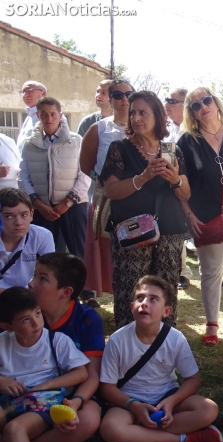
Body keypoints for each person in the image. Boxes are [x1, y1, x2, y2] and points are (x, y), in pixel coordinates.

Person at [99, 275, 222, 442]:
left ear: (166, 311)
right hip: (129, 403)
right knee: (110, 428)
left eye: (153, 299)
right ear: (132, 307)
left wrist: (172, 401)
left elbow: (193, 379)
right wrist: (132, 405)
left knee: (208, 409)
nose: (145, 303)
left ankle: (134, 440)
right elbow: (107, 387)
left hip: (165, 398)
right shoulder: (117, 340)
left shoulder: (175, 338)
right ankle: (183, 439)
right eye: (140, 298)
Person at [99, 91, 190, 328]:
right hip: (132, 233)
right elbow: (111, 191)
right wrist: (143, 177)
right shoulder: (119, 148)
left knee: (165, 292)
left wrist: (175, 179)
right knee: (132, 293)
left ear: (157, 117)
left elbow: (186, 193)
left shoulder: (173, 150)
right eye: (133, 113)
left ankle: (164, 349)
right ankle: (129, 352)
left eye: (142, 113)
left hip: (169, 232)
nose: (136, 118)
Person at [27, 252, 106, 442]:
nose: (31, 283)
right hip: (29, 392)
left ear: (66, 292)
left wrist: (77, 402)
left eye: (42, 279)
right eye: (34, 275)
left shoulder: (87, 319)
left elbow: (92, 376)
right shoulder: (25, 316)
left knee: (87, 421)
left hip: (74, 394)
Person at [0, 287, 89, 442]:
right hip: (9, 400)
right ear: (8, 326)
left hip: (42, 402)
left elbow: (81, 373)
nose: (36, 322)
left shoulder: (56, 341)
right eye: (26, 319)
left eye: (38, 313)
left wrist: (46, 385)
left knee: (14, 430)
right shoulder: (2, 343)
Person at [178, 87, 223, 345]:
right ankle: (212, 324)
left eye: (206, 100)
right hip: (205, 215)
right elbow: (178, 183)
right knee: (210, 272)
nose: (203, 106)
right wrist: (188, 214)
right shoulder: (187, 141)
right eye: (195, 105)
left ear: (216, 102)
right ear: (191, 113)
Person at [79, 79, 135, 301]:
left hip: (136, 199)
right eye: (118, 94)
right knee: (108, 251)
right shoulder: (99, 128)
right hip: (106, 200)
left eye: (128, 94)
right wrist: (99, 180)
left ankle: (131, 299)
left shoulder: (142, 127)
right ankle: (115, 300)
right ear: (110, 99)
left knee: (133, 249)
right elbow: (85, 164)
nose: (124, 99)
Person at [18, 97, 90, 261]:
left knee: (79, 253)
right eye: (44, 114)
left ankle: (84, 287)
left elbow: (85, 173)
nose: (49, 119)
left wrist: (67, 202)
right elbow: (23, 176)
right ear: (37, 115)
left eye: (53, 114)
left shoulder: (76, 140)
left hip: (73, 206)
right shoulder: (29, 144)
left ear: (60, 115)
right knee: (45, 255)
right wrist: (38, 204)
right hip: (42, 208)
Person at [164, 88, 193, 291]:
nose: (167, 103)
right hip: (167, 189)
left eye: (172, 100)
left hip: (188, 187)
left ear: (184, 105)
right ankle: (182, 272)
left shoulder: (191, 129)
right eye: (166, 99)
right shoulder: (163, 128)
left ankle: (186, 271)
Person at [0, 188, 54, 291]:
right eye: (9, 216)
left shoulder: (42, 235)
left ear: (31, 214)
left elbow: (51, 273)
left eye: (24, 215)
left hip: (24, 296)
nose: (18, 222)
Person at [16, 81, 46, 148]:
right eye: (23, 92)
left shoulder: (51, 114)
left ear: (43, 93)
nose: (25, 95)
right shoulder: (30, 115)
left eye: (29, 91)